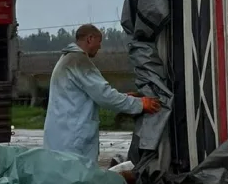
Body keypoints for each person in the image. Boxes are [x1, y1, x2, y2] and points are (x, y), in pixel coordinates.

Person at [44, 24, 161, 167]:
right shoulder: (80, 62)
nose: (100, 47)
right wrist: (140, 104)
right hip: (73, 139)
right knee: (78, 176)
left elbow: (89, 95)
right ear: (90, 39)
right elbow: (105, 96)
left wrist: (125, 97)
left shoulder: (66, 59)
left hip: (61, 135)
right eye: (99, 41)